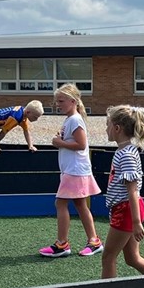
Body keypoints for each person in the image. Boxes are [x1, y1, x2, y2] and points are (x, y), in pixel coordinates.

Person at [40, 83, 102, 258]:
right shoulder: (72, 119)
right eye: (56, 101)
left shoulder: (74, 119)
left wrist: (59, 143)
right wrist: (61, 140)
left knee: (61, 203)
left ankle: (62, 243)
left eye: (61, 101)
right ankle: (94, 241)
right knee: (80, 205)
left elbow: (81, 145)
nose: (57, 104)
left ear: (73, 101)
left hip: (75, 170)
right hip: (74, 169)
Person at [101, 105, 144, 278]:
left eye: (108, 125)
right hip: (127, 209)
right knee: (132, 258)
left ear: (117, 128)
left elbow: (132, 190)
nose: (106, 129)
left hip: (126, 210)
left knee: (108, 257)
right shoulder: (125, 151)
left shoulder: (125, 154)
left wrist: (135, 222)